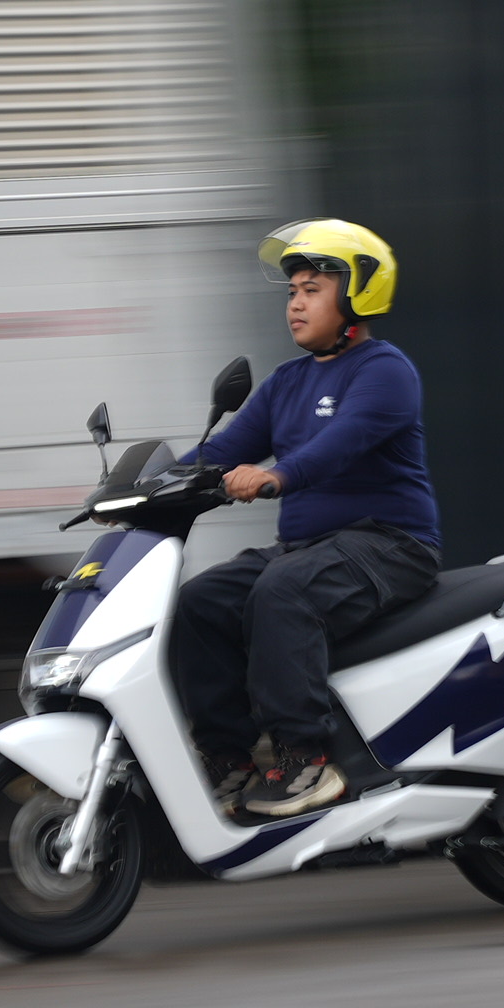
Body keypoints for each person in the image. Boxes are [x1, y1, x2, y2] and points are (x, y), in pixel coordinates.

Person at [172, 218, 440, 819]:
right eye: (292, 291)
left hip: (390, 545)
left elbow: (339, 444)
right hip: (314, 547)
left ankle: (303, 761)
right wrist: (146, 490)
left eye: (312, 288)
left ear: (358, 293)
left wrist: (276, 475)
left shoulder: (385, 370)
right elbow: (219, 453)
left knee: (282, 591)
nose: (295, 303)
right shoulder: (287, 382)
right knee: (201, 600)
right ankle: (228, 759)